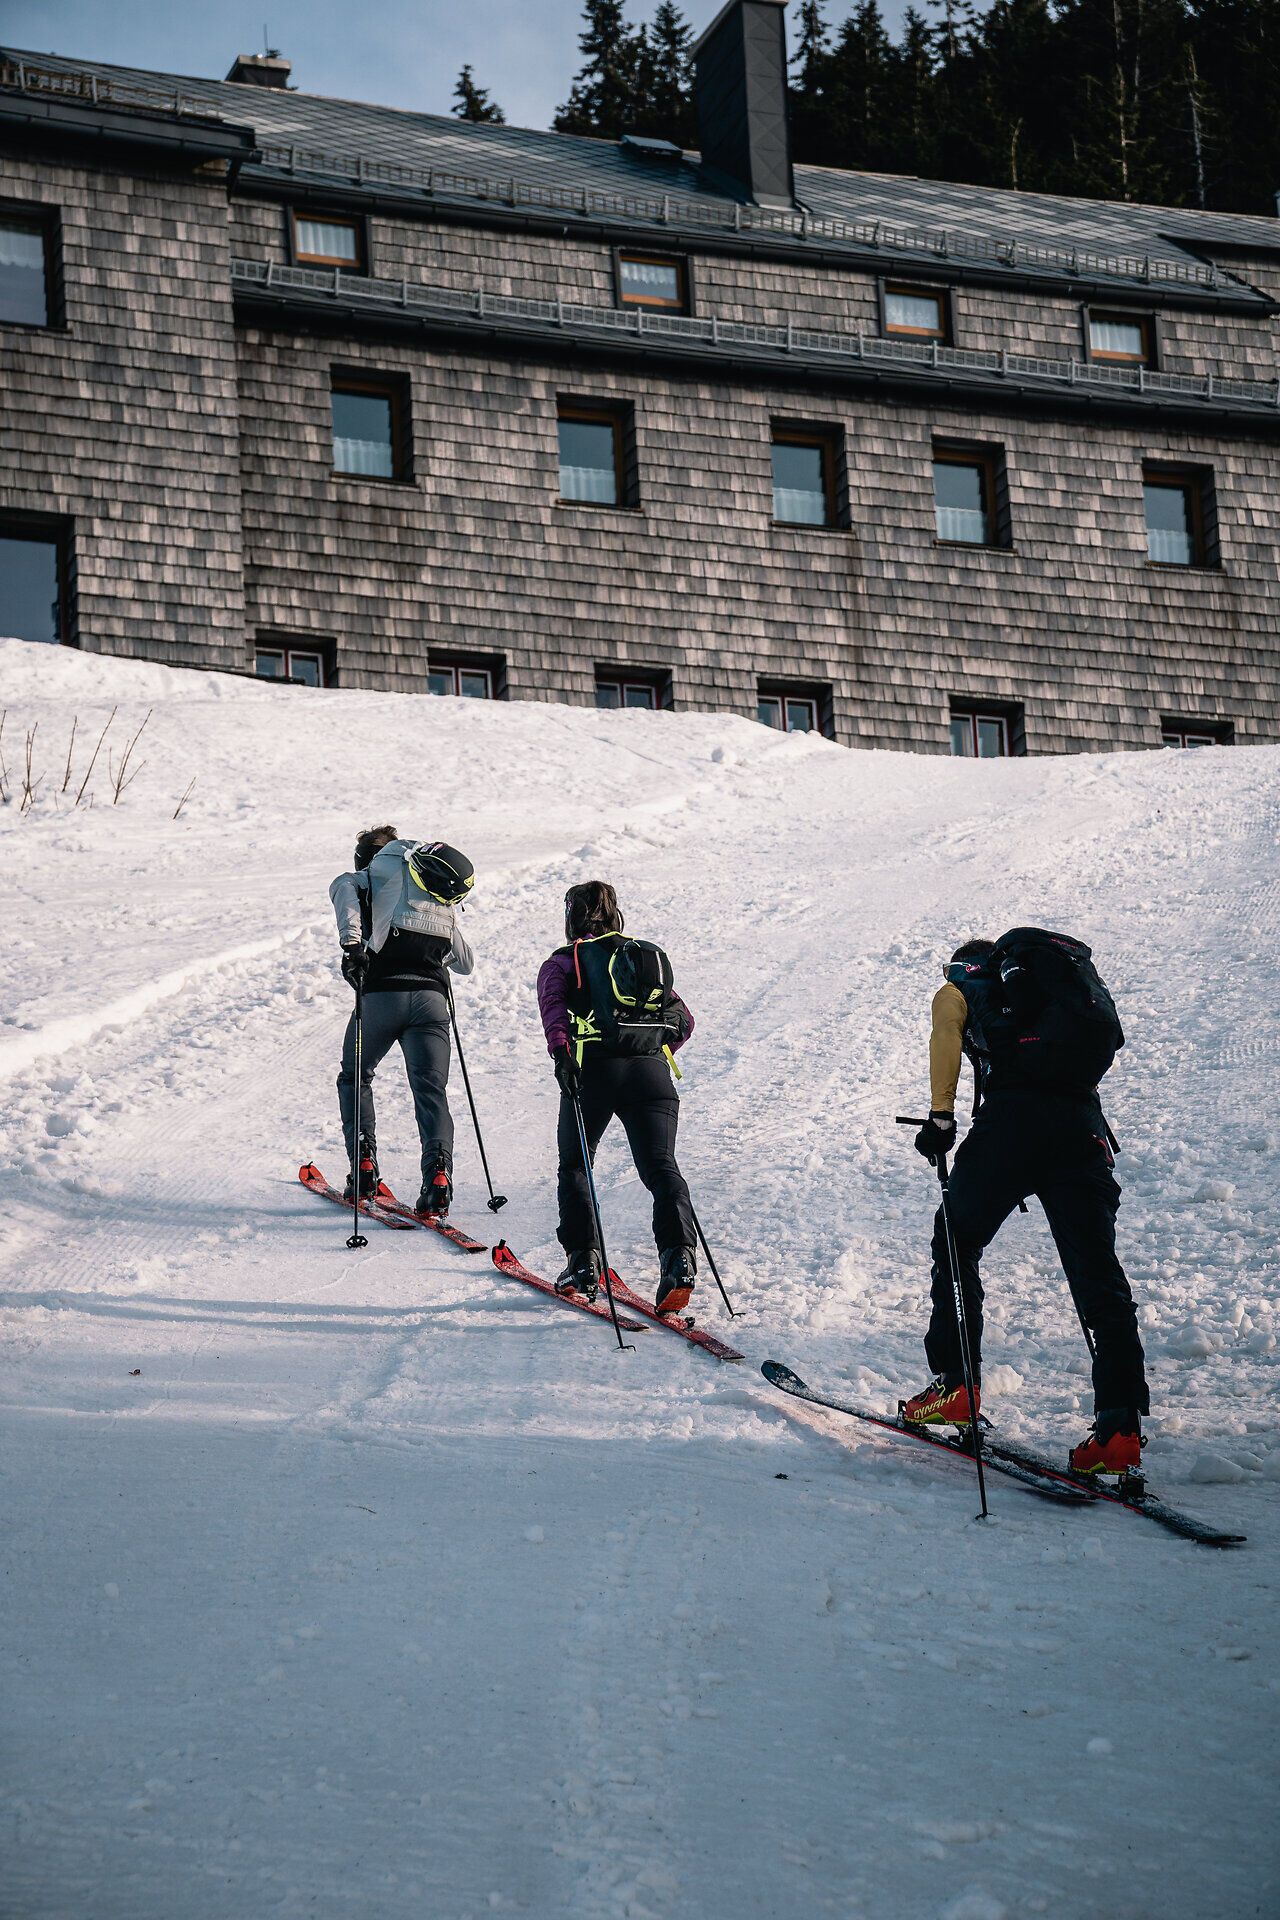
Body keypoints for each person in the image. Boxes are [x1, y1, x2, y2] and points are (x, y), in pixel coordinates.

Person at [904, 929, 1149, 1476]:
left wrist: (941, 1115)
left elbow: (945, 1035)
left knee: (956, 1237)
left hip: (1012, 1126)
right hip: (1083, 1129)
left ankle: (957, 1387)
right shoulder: (1050, 996)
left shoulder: (962, 984)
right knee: (1097, 1272)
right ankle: (1120, 1427)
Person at [537, 881, 697, 1312]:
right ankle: (679, 1258)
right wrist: (647, 1049)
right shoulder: (641, 957)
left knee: (576, 1166)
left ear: (571, 915)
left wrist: (562, 1056)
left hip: (592, 1076)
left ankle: (583, 1262)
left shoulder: (563, 963)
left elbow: (553, 1013)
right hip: (651, 1077)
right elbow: (685, 1021)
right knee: (661, 1167)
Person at [329, 826, 475, 1216]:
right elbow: (465, 963)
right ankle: (438, 1177)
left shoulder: (363, 879)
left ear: (365, 858)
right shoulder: (426, 889)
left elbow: (343, 890)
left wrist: (352, 946)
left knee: (355, 1076)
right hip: (431, 1004)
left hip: (380, 998)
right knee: (431, 1091)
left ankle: (363, 1165)